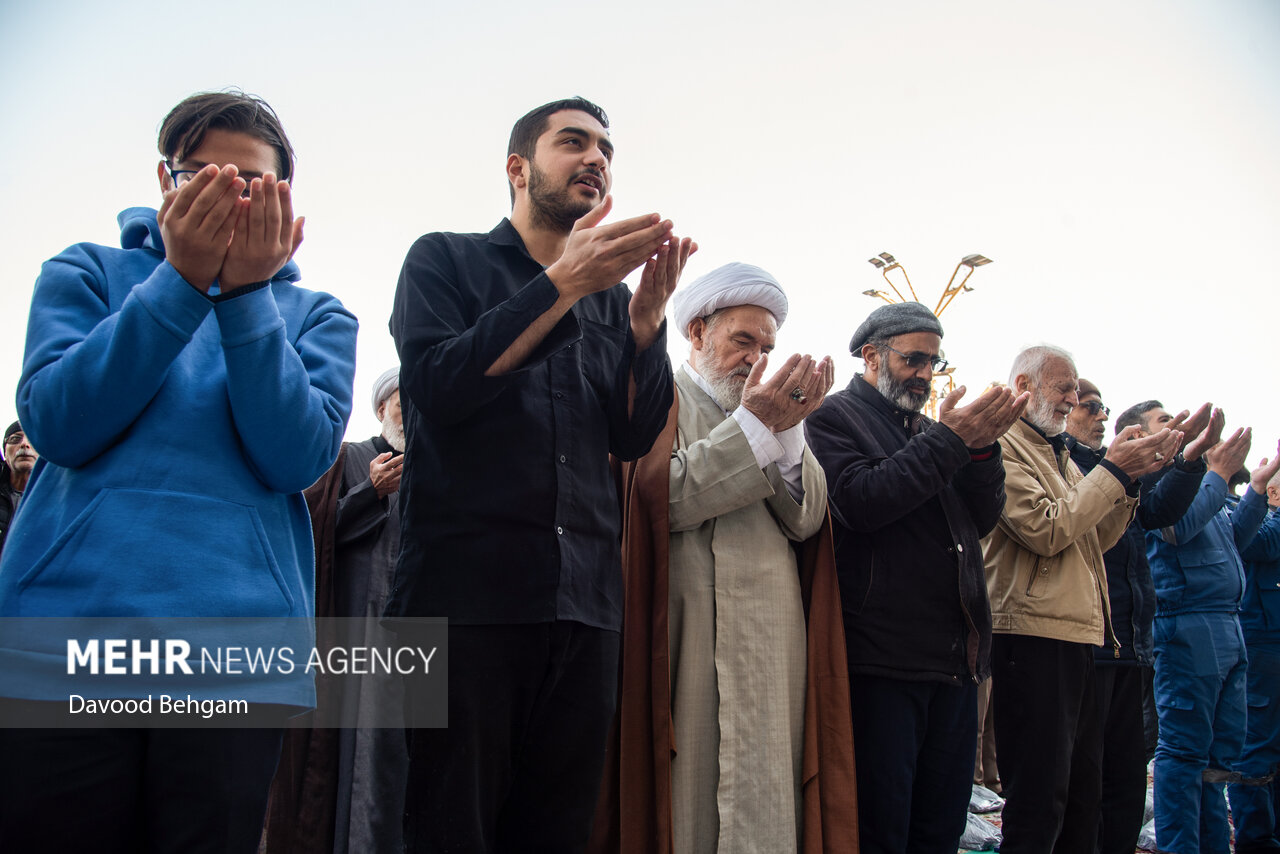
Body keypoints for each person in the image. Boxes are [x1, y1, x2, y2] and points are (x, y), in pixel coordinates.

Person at [0, 90, 357, 852]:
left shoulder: (318, 316)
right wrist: (181, 281)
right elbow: (58, 423)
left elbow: (295, 456)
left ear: (283, 199)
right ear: (165, 183)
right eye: (201, 175)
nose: (223, 195)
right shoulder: (85, 273)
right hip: (69, 636)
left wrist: (247, 297)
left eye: (250, 183)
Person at [388, 97, 695, 853]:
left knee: (556, 832)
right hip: (462, 607)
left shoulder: (612, 301)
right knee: (447, 829)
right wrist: (562, 284)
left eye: (606, 149)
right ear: (518, 169)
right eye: (574, 142)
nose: (597, 158)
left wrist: (648, 333)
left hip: (585, 612)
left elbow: (630, 434)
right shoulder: (444, 259)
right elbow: (440, 387)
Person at [594, 262, 855, 853]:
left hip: (771, 643)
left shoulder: (778, 416)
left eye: (768, 345)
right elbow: (667, 499)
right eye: (743, 340)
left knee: (769, 792)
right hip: (687, 636)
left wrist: (785, 434)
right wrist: (757, 426)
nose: (757, 358)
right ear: (697, 334)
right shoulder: (659, 393)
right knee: (688, 804)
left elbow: (808, 518)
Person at [804, 301, 1026, 852]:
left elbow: (979, 520)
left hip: (952, 661)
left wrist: (981, 451)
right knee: (884, 825)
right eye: (914, 360)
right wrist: (951, 441)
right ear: (872, 357)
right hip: (882, 661)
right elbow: (860, 502)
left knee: (938, 827)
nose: (926, 374)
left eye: (934, 361)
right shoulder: (832, 418)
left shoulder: (932, 430)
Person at [981, 345, 1181, 854]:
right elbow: (1047, 531)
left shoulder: (1057, 452)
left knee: (1082, 793)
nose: (1073, 399)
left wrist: (1128, 480)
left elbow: (1094, 537)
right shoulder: (1003, 446)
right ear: (1023, 387)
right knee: (1041, 795)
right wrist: (1112, 471)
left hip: (1076, 634)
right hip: (1030, 634)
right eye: (1064, 388)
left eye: (1076, 390)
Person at [265, 367, 409, 853]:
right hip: (355, 634)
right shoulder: (347, 457)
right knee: (358, 758)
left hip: (419, 636)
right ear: (381, 409)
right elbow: (309, 533)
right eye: (400, 401)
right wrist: (369, 492)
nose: (410, 412)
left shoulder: (441, 468)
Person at [1068, 391, 1215, 854]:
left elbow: (1157, 513)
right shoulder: (1068, 464)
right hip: (1086, 643)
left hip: (1130, 641)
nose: (1098, 414)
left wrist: (1189, 464)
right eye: (1084, 404)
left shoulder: (1117, 470)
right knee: (1084, 780)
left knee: (1128, 777)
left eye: (1100, 406)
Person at [1143, 415, 1279, 854]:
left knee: (1220, 758)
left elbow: (1236, 538)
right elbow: (1178, 530)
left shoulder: (1205, 486)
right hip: (1187, 625)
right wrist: (1218, 475)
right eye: (1165, 422)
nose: (1180, 428)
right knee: (1184, 754)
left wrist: (1255, 489)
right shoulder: (1156, 487)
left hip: (1226, 626)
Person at [1228, 467, 1280, 852]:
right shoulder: (1246, 516)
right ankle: (1256, 841)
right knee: (1256, 747)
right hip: (1262, 643)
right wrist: (1273, 507)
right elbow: (1256, 544)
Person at [0, 421, 37, 557]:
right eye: (15, 439)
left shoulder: (59, 498)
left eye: (33, 439)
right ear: (5, 452)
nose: (24, 444)